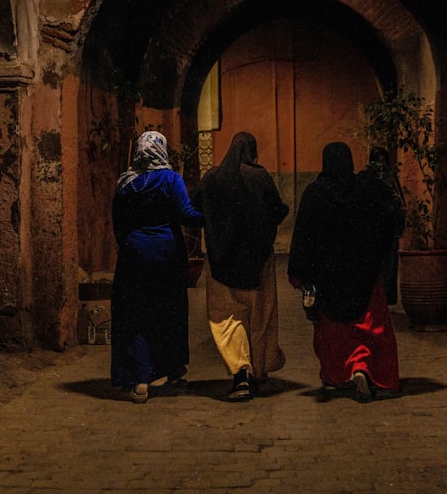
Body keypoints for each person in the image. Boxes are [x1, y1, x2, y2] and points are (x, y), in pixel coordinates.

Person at [287, 142, 401, 401]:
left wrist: (301, 274)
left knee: (334, 333)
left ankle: (338, 375)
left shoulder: (315, 193)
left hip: (328, 279)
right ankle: (364, 369)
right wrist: (376, 257)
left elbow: (303, 236)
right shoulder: (367, 190)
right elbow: (389, 218)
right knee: (369, 328)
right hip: (364, 275)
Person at [192, 132, 289, 402]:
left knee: (227, 320)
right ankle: (259, 370)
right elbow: (278, 210)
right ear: (252, 152)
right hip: (259, 263)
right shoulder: (260, 177)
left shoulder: (212, 178)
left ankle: (240, 375)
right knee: (260, 317)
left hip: (221, 264)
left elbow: (195, 207)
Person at [110, 130, 204, 403]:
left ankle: (139, 380)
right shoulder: (170, 179)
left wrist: (131, 246)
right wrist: (215, 216)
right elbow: (187, 215)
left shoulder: (126, 183)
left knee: (135, 315)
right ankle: (169, 367)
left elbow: (118, 224)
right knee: (167, 312)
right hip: (167, 257)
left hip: (133, 256)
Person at [357, 146, 406, 304]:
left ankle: (374, 299)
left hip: (371, 231)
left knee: (374, 266)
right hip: (387, 230)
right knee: (387, 267)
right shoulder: (389, 177)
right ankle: (383, 299)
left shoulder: (364, 176)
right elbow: (399, 204)